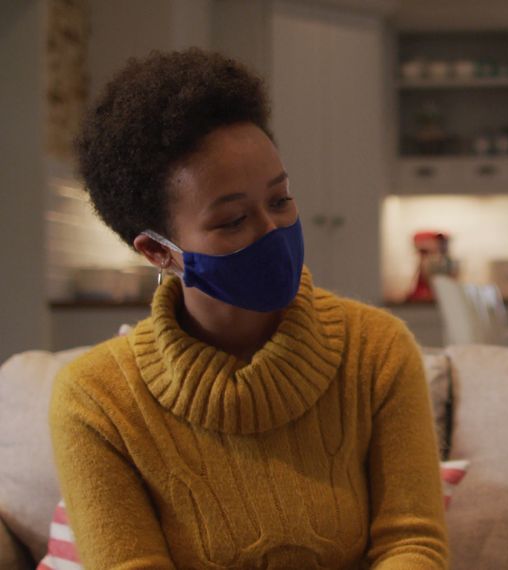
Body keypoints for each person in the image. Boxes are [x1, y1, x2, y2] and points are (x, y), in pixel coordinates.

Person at [49, 49, 449, 569]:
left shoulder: (376, 350)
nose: (271, 232)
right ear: (157, 250)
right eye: (233, 220)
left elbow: (412, 545)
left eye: (280, 201)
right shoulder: (94, 402)